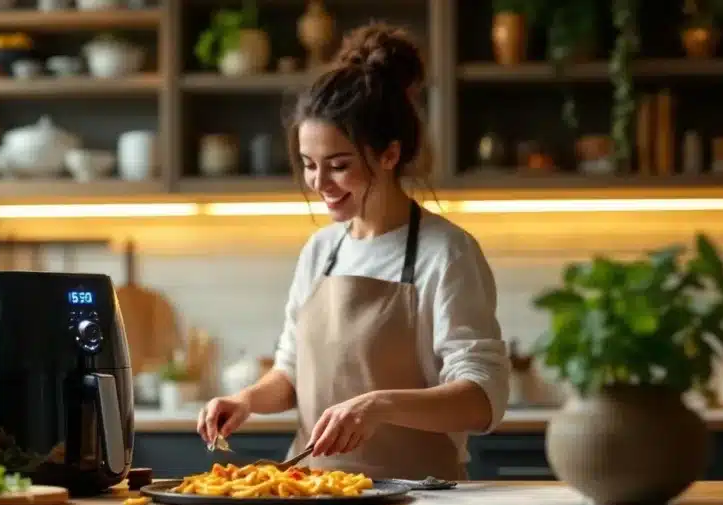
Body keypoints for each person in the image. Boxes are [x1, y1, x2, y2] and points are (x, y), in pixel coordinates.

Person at [196, 22, 510, 481]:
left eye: (339, 166)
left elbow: (483, 399)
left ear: (388, 154)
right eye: (309, 165)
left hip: (418, 500)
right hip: (314, 495)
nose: (320, 185)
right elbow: (291, 372)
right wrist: (246, 400)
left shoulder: (446, 253)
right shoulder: (321, 250)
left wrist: (379, 405)